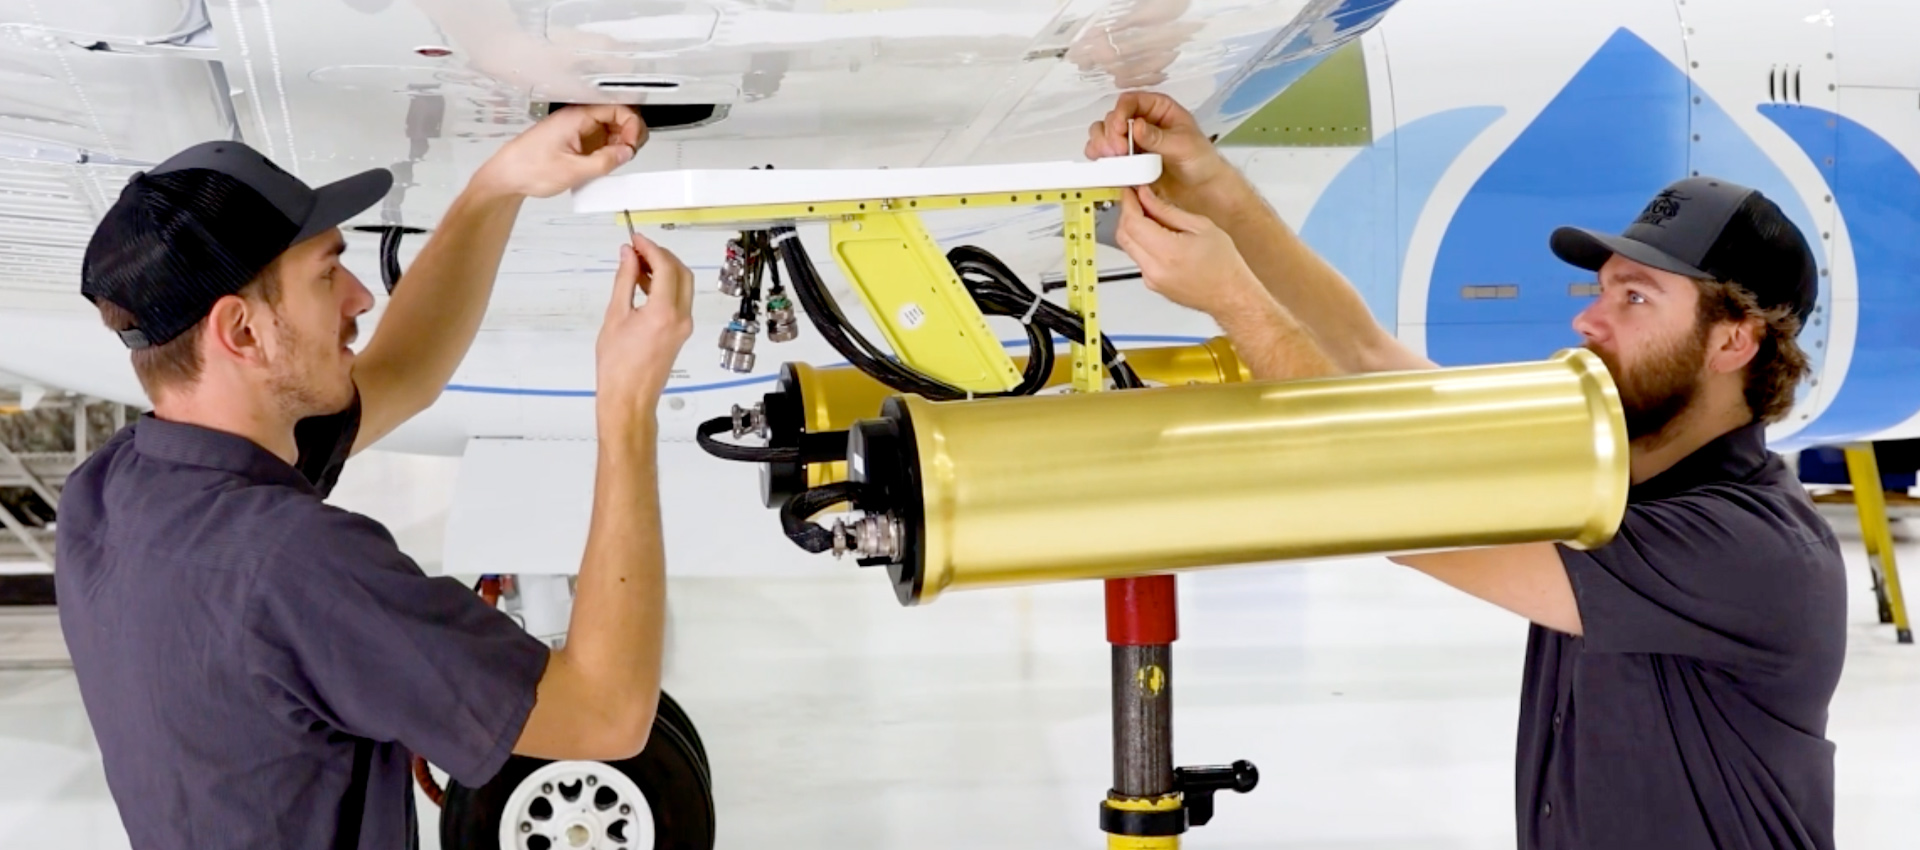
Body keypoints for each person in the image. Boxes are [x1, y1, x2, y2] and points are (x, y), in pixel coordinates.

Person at [1090, 92, 1847, 849]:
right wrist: (1214, 188)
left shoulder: (1751, 551)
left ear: (1733, 343)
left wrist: (1234, 300)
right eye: (1600, 289)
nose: (1588, 319)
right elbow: (1366, 355)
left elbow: (1396, 506)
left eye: (1636, 297)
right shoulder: (1605, 471)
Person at [56, 104, 695, 849]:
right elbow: (603, 715)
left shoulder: (108, 495)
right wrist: (626, 409)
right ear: (241, 331)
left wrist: (500, 184)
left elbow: (404, 372)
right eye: (327, 274)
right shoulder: (294, 563)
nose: (361, 296)